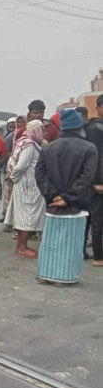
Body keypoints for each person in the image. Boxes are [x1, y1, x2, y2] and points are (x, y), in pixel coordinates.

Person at [36, 109, 97, 270]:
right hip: (78, 203)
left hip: (53, 204)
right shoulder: (90, 149)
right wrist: (68, 197)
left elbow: (40, 174)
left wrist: (53, 196)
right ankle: (66, 274)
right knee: (74, 240)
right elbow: (87, 177)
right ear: (79, 126)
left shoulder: (48, 148)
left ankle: (48, 272)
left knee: (53, 238)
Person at [4, 120, 46, 257]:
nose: (43, 132)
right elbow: (21, 165)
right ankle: (22, 247)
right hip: (28, 185)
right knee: (28, 215)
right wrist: (13, 177)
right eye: (41, 129)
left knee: (25, 215)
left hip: (26, 184)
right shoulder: (29, 145)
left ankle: (22, 246)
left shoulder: (25, 142)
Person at [83, 96, 103, 267]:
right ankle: (98, 256)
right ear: (98, 108)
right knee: (96, 219)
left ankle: (82, 252)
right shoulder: (96, 128)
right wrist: (96, 182)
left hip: (90, 181)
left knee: (89, 218)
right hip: (96, 182)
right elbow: (97, 158)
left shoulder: (91, 127)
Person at [1, 115, 26, 228]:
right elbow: (6, 154)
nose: (20, 124)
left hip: (25, 172)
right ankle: (8, 222)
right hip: (11, 170)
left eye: (22, 121)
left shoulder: (29, 135)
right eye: (18, 122)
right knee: (8, 197)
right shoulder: (11, 136)